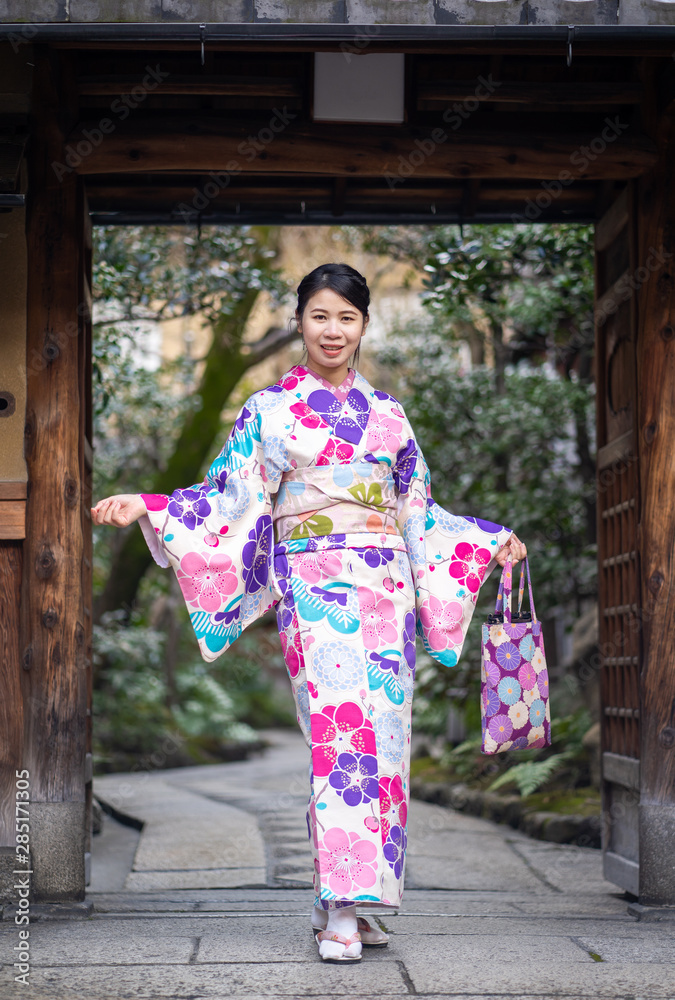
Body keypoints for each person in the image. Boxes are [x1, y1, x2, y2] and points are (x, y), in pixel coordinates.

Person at [92, 262, 526, 963]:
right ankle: (342, 914)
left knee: (384, 746)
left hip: (386, 596)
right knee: (341, 739)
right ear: (299, 320)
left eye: (346, 317)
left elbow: (419, 511)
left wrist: (484, 539)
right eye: (320, 315)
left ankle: (354, 898)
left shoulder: (388, 416)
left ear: (362, 326)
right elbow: (227, 499)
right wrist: (152, 506)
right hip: (315, 592)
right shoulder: (268, 411)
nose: (332, 329)